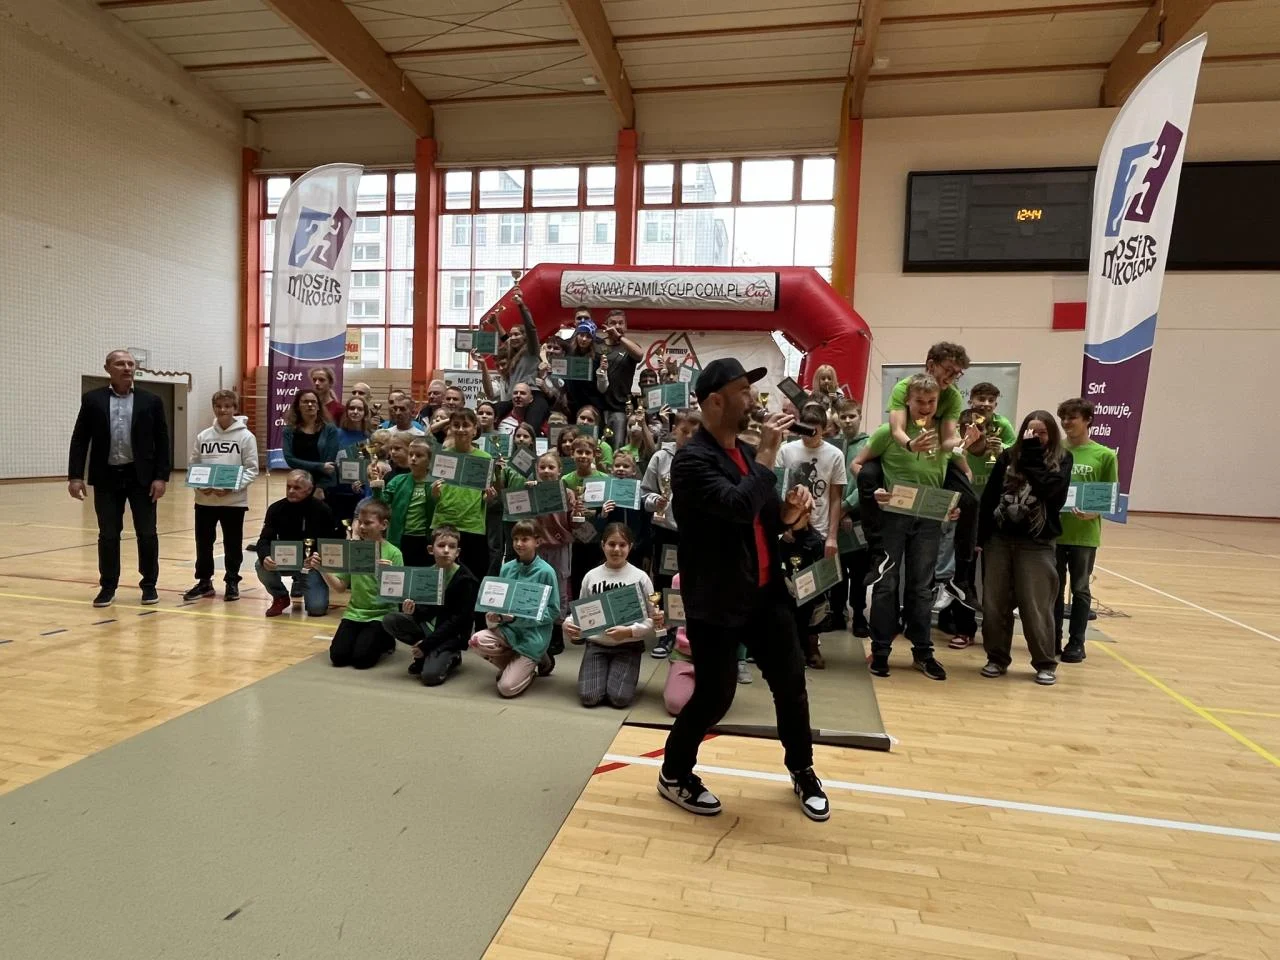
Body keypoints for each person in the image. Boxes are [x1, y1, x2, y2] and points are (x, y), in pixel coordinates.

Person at [660, 358, 829, 822]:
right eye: (743, 391)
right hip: (717, 599)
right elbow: (736, 507)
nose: (753, 399)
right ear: (716, 401)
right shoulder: (691, 461)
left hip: (765, 592)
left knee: (791, 684)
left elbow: (764, 517)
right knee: (715, 696)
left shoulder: (745, 453)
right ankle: (674, 773)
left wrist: (791, 512)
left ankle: (802, 769)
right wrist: (769, 454)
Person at [851, 374, 957, 681]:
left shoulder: (943, 433)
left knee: (922, 587)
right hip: (893, 518)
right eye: (919, 401)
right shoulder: (888, 432)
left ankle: (923, 652)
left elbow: (954, 470)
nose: (925, 407)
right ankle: (881, 650)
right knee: (886, 583)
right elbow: (858, 464)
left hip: (929, 519)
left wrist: (954, 505)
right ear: (907, 401)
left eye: (931, 401)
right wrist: (873, 490)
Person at [68, 349, 171, 607]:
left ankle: (149, 585)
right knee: (108, 534)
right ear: (108, 369)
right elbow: (80, 438)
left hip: (142, 478)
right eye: (120, 363)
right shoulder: (93, 400)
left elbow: (162, 440)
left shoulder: (151, 400)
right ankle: (108, 586)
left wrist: (161, 477)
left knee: (147, 533)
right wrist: (75, 476)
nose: (126, 368)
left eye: (130, 363)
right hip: (106, 478)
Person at [978, 411, 1073, 685]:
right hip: (999, 540)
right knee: (995, 604)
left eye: (1042, 433)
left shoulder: (1062, 459)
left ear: (1051, 434)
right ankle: (996, 658)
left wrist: (1032, 456)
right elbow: (990, 496)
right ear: (1023, 433)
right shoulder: (1008, 456)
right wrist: (979, 538)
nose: (1037, 437)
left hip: (1037, 543)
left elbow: (1051, 493)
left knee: (1036, 607)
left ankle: (1045, 663)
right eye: (1032, 433)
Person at [780, 402, 847, 668]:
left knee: (815, 592)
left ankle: (811, 643)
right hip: (789, 529)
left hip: (817, 532)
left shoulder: (834, 455)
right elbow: (779, 490)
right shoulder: (786, 451)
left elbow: (836, 498)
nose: (809, 435)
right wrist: (784, 527)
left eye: (815, 430)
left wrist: (831, 537)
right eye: (804, 430)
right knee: (787, 589)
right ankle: (788, 643)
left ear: (824, 428)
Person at [564, 523, 655, 708]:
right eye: (611, 544)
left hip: (628, 646)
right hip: (596, 645)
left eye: (622, 545)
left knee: (619, 698)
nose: (616, 549)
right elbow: (579, 612)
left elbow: (652, 618)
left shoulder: (641, 578)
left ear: (630, 546)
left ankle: (621, 673)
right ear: (603, 545)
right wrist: (568, 623)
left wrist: (629, 631)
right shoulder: (591, 576)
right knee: (589, 697)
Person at [1055, 398, 1119, 663]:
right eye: (1063, 418)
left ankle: (1076, 642)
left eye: (1073, 417)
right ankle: (1052, 638)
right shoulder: (1055, 450)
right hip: (1055, 531)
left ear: (1088, 420)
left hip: (1084, 534)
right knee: (1054, 588)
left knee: (1080, 589)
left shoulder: (1104, 455)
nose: (1066, 422)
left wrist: (1095, 511)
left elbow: (1109, 496)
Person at [468, 520, 559, 698]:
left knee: (506, 688)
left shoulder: (546, 572)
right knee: (476, 641)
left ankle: (531, 665)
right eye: (515, 539)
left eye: (525, 539)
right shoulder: (507, 568)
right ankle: (519, 665)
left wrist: (519, 619)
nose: (518, 544)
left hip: (533, 636)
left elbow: (554, 611)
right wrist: (494, 614)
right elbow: (501, 603)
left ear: (537, 541)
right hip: (508, 631)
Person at [183, 389, 259, 602]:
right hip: (204, 501)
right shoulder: (204, 436)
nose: (222, 410)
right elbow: (194, 464)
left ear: (235, 408)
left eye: (227, 406)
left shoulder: (246, 437)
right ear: (213, 408)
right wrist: (199, 486)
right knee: (203, 543)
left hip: (233, 502)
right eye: (218, 406)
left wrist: (232, 487)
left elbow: (252, 469)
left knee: (232, 543)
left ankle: (232, 580)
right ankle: (204, 582)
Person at [310, 498, 403, 669]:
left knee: (362, 660)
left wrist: (385, 574)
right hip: (354, 612)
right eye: (360, 522)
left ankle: (387, 638)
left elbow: (397, 596)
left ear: (383, 525)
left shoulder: (393, 553)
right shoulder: (352, 550)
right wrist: (322, 569)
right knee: (338, 657)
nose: (362, 527)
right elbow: (340, 587)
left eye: (368, 523)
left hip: (381, 614)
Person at [382, 524, 480, 685]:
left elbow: (458, 621)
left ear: (458, 552)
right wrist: (411, 611)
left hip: (451, 635)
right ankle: (426, 654)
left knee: (430, 677)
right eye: (441, 545)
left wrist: (426, 645)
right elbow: (424, 612)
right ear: (430, 549)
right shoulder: (426, 575)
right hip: (428, 629)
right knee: (391, 620)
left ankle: (452, 656)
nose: (446, 550)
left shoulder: (467, 580)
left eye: (452, 547)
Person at [641, 409, 699, 624]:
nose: (689, 436)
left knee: (692, 580)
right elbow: (645, 493)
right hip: (666, 531)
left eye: (695, 432)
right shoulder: (661, 458)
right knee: (665, 580)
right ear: (675, 430)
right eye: (685, 431)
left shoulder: (707, 459)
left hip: (695, 533)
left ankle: (689, 628)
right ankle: (666, 626)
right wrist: (656, 501)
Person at [254, 470, 337, 618]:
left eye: (297, 487)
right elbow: (264, 540)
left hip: (312, 566)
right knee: (260, 565)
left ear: (309, 489)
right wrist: (265, 556)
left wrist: (317, 558)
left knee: (317, 609)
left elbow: (331, 544)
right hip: (285, 561)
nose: (291, 491)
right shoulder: (276, 509)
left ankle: (302, 582)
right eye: (288, 486)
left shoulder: (323, 510)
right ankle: (280, 596)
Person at [430, 408, 494, 581]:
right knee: (441, 578)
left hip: (472, 526)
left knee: (473, 579)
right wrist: (434, 492)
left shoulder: (485, 458)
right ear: (450, 428)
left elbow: (485, 497)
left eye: (465, 425)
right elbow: (435, 494)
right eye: (456, 425)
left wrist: (489, 497)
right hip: (444, 524)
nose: (460, 429)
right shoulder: (442, 456)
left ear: (474, 429)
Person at [370, 437, 436, 567]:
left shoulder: (436, 483)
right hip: (401, 538)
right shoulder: (398, 480)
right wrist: (377, 486)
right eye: (411, 455)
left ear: (429, 460)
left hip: (425, 539)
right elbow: (381, 505)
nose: (413, 459)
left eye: (419, 455)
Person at [594, 310, 642, 444]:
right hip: (597, 406)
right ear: (606, 325)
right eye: (613, 323)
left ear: (626, 326)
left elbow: (639, 355)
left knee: (617, 446)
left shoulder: (629, 347)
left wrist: (619, 337)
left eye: (621, 323)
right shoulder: (597, 346)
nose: (617, 326)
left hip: (619, 407)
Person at [283, 388, 339, 498]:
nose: (310, 405)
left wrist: (320, 487)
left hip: (324, 485)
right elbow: (290, 459)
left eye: (313, 402)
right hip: (298, 483)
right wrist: (320, 466)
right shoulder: (289, 430)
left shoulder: (330, 429)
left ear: (318, 406)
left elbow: (329, 464)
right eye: (305, 402)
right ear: (298, 406)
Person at [330, 396, 374, 526]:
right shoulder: (336, 434)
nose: (355, 412)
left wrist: (364, 486)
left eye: (359, 409)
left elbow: (371, 465)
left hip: (361, 494)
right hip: (337, 491)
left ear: (365, 413)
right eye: (352, 408)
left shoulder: (370, 436)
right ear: (346, 411)